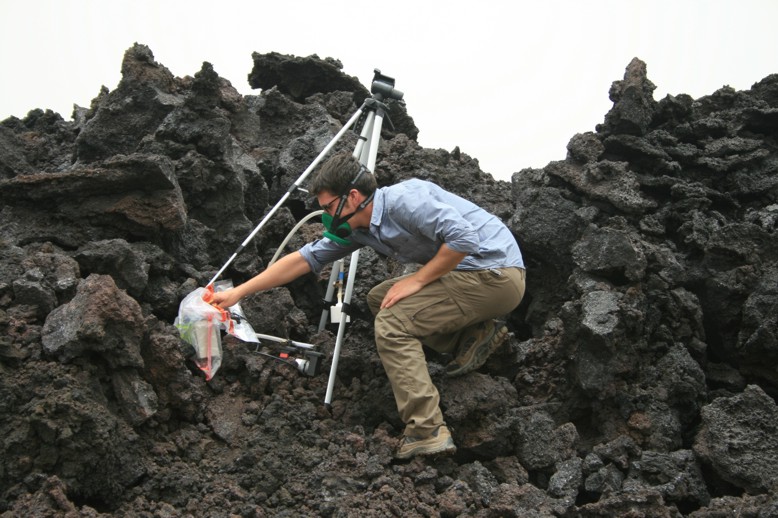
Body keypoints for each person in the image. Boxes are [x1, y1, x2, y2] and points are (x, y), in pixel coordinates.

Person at [211, 152, 525, 459]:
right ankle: (472, 337)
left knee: (393, 323)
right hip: (474, 276)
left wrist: (416, 280)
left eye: (327, 207)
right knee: (380, 298)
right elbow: (304, 259)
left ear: (352, 197)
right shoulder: (360, 229)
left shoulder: (404, 201)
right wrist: (239, 292)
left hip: (495, 273)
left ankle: (427, 430)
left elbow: (464, 239)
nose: (325, 217)